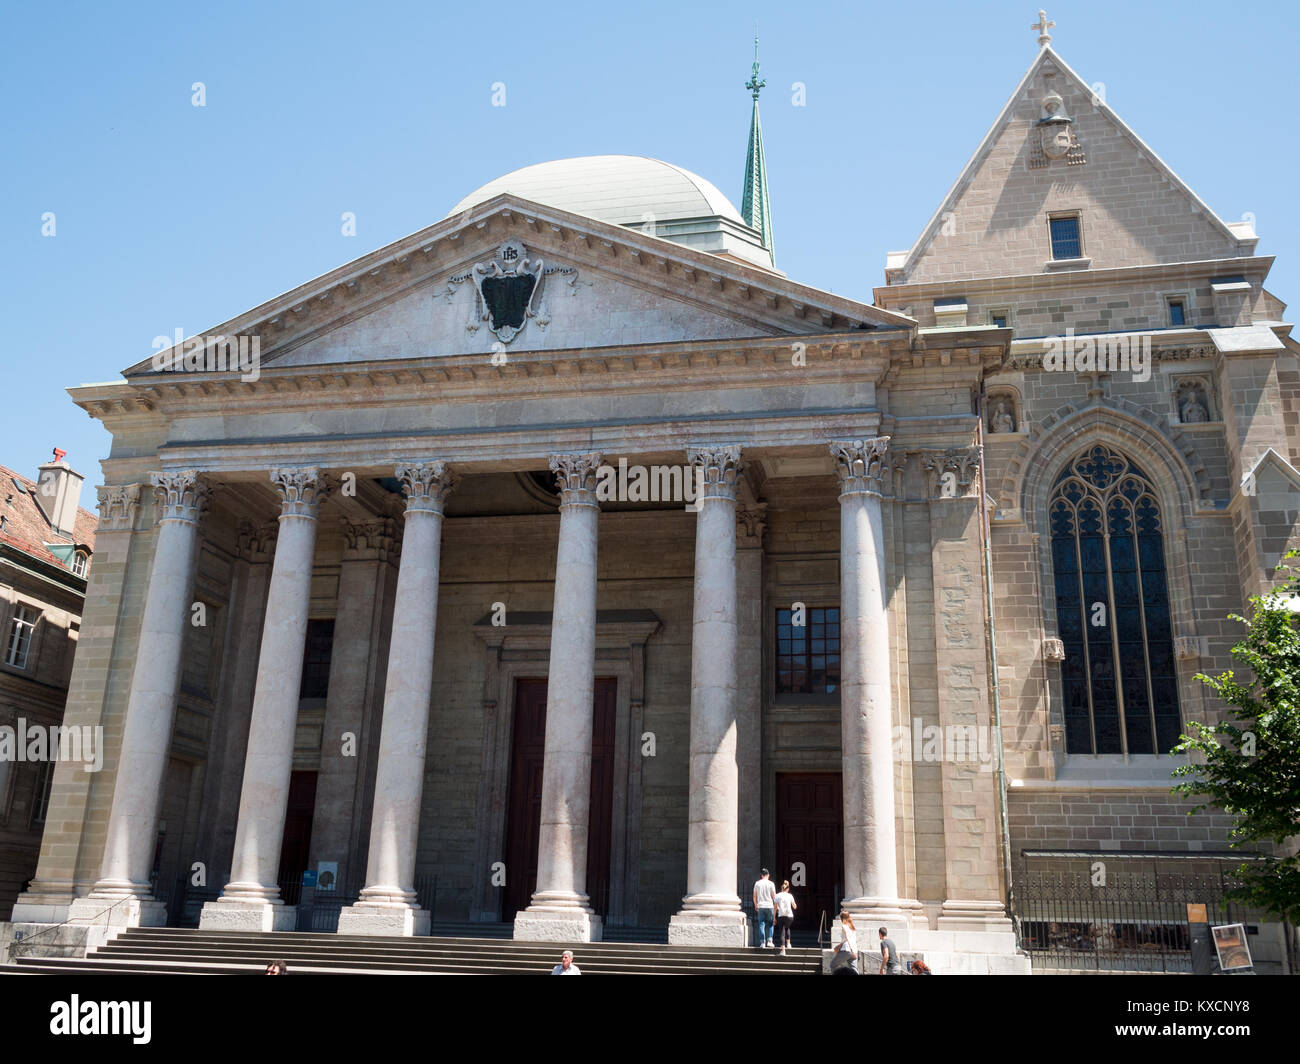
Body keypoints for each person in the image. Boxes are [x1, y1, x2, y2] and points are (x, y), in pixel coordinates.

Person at [752, 868, 776, 948]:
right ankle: (769, 941)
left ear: (761, 875)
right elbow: (774, 896)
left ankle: (762, 942)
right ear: (768, 875)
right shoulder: (771, 884)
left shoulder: (757, 883)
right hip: (769, 906)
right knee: (770, 924)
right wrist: (776, 906)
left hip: (761, 906)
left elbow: (754, 896)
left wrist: (756, 904)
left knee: (761, 924)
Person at [773, 879, 796, 955]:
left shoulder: (777, 895)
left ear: (781, 888)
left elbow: (775, 907)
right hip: (789, 916)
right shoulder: (790, 895)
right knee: (787, 927)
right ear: (788, 889)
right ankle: (788, 944)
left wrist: (774, 917)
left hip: (781, 915)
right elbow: (794, 906)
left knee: (782, 932)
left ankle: (783, 950)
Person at [832, 910, 859, 975]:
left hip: (847, 949)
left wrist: (840, 945)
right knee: (854, 970)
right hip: (854, 950)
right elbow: (853, 940)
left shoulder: (844, 926)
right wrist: (854, 951)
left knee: (832, 965)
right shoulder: (852, 927)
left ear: (842, 918)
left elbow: (847, 938)